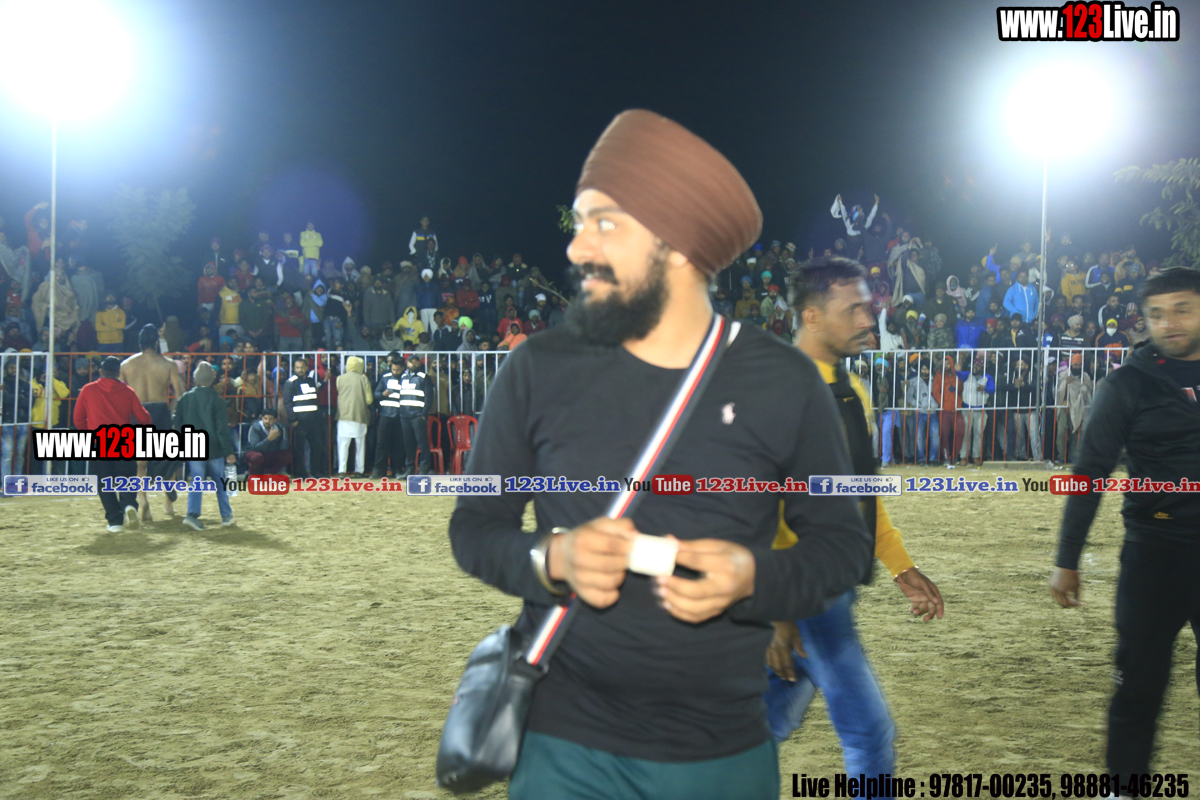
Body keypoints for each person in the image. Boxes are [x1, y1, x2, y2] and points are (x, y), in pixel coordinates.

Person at [448, 109, 871, 798]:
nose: (577, 247)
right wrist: (550, 558)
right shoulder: (537, 369)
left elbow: (842, 549)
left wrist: (753, 576)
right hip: (562, 744)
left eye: (604, 223)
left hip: (722, 753)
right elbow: (474, 527)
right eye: (580, 222)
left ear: (677, 244)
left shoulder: (785, 382)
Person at [765, 257, 943, 778]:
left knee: (762, 723)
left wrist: (900, 565)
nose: (869, 320)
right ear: (812, 317)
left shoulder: (851, 390)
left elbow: (859, 492)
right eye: (853, 310)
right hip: (801, 588)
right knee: (869, 733)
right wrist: (775, 610)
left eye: (869, 307)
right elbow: (753, 505)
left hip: (829, 586)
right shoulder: (776, 389)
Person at [1049, 267, 1200, 778]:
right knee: (1137, 685)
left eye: (1182, 309)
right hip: (1154, 554)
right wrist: (1067, 559)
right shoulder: (1127, 384)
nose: (1169, 323)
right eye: (1157, 314)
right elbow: (1090, 471)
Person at [73, 356, 153, 532]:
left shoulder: (88, 390)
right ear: (118, 372)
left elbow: (78, 418)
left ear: (101, 372)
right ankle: (129, 504)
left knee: (104, 482)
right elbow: (143, 417)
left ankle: (115, 521)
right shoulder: (128, 391)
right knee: (127, 478)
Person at [120, 324, 185, 521]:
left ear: (140, 343)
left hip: (136, 412)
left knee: (140, 462)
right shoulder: (168, 364)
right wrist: (172, 412)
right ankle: (168, 504)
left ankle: (143, 500)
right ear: (156, 343)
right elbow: (180, 393)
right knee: (167, 460)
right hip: (160, 411)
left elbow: (119, 395)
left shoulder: (126, 365)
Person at [173, 361, 236, 531]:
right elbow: (222, 429)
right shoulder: (217, 400)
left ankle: (192, 515)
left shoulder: (185, 399)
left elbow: (176, 423)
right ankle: (226, 515)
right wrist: (229, 451)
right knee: (219, 480)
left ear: (195, 379)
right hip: (214, 448)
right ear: (213, 379)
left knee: (196, 479)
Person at [279, 356, 327, 479]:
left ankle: (315, 471)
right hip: (299, 421)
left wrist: (324, 381)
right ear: (294, 368)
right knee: (299, 449)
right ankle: (300, 473)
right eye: (297, 367)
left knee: (316, 446)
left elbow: (315, 393)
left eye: (302, 367)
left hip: (314, 420)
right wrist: (293, 419)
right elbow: (287, 403)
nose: (300, 370)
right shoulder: (290, 382)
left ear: (306, 368)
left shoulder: (311, 381)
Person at [371, 354, 410, 478]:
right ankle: (379, 470)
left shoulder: (408, 378)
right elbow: (375, 394)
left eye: (398, 369)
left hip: (401, 416)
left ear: (403, 368)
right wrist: (383, 394)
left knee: (399, 444)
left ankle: (397, 469)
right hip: (386, 415)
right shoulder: (385, 377)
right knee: (381, 443)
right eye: (393, 369)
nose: (395, 372)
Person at [396, 353, 434, 476]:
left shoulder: (424, 377)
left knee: (422, 443)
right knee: (408, 444)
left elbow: (429, 397)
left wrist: (424, 414)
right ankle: (410, 469)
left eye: (415, 361)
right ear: (407, 363)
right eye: (410, 361)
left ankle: (424, 468)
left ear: (419, 363)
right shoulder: (403, 377)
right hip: (405, 416)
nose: (413, 364)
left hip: (418, 416)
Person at [998, 357, 1041, 461]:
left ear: (1027, 366)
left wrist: (1024, 385)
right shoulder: (1012, 374)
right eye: (1017, 364)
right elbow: (1002, 386)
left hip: (1031, 409)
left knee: (1034, 434)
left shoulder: (1033, 374)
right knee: (1019, 435)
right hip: (1016, 409)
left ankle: (1037, 457)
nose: (1018, 366)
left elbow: (1036, 387)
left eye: (1021, 364)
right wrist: (1014, 386)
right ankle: (1021, 456)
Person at [336, 355, 373, 477]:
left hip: (343, 415)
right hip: (359, 415)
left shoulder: (340, 378)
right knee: (360, 444)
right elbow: (369, 400)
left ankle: (342, 470)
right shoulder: (363, 379)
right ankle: (359, 470)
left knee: (343, 444)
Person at [1054, 353, 1093, 465]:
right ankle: (1061, 457)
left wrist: (1083, 386)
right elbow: (1057, 391)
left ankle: (1073, 457)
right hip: (1064, 408)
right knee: (1061, 433)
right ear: (1071, 364)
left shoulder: (1085, 376)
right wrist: (1065, 383)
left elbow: (1089, 392)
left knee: (1076, 434)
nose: (1077, 367)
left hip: (1079, 408)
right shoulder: (1063, 375)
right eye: (1075, 365)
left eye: (1080, 365)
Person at [957, 354, 994, 466]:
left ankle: (976, 456)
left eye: (977, 366)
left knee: (978, 434)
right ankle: (963, 456)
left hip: (980, 410)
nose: (974, 367)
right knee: (965, 434)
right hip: (967, 409)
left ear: (982, 367)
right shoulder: (967, 375)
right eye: (973, 365)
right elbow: (958, 373)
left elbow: (992, 389)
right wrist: (958, 366)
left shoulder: (987, 377)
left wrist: (984, 388)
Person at [245, 410, 291, 475]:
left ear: (275, 420)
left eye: (270, 419)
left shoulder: (280, 428)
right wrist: (269, 439)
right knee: (257, 457)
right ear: (262, 418)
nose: (267, 421)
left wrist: (275, 441)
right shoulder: (255, 428)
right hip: (256, 453)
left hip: (271, 453)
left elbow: (284, 447)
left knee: (287, 455)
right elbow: (255, 447)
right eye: (265, 418)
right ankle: (252, 474)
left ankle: (270, 473)